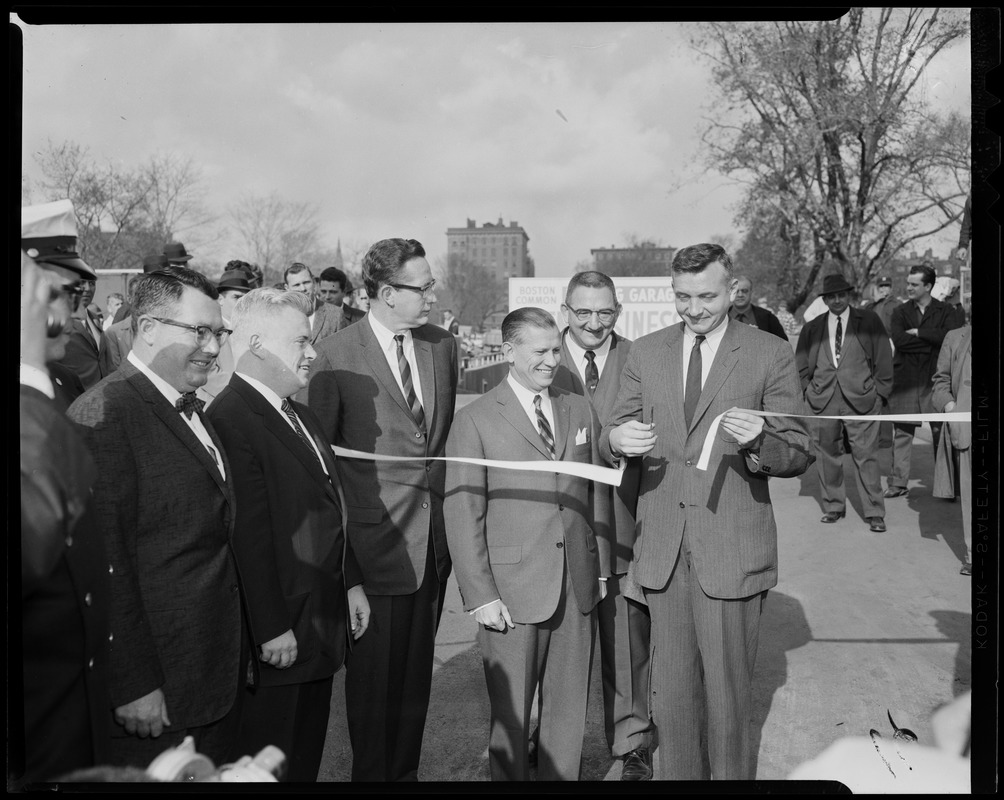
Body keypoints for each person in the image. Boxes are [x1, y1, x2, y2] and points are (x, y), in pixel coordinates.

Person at [600, 242, 812, 780]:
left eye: (707, 296)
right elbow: (610, 435)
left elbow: (799, 451)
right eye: (683, 297)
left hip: (731, 550)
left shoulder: (768, 353)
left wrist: (762, 440)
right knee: (669, 699)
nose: (694, 308)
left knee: (727, 699)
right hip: (663, 549)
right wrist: (617, 439)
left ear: (733, 288)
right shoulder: (645, 353)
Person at [68, 266, 246, 769]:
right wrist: (132, 683)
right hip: (157, 696)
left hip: (210, 679)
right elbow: (104, 569)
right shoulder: (103, 416)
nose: (213, 348)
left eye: (220, 333)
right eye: (199, 332)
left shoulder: (190, 405)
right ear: (147, 328)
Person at [305, 238, 458, 781]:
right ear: (388, 293)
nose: (433, 296)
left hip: (432, 553)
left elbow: (436, 446)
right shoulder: (335, 356)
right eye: (423, 287)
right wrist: (346, 576)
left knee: (415, 686)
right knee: (372, 693)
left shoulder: (442, 347)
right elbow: (321, 474)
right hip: (371, 554)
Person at [206, 288, 371, 781]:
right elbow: (247, 537)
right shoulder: (231, 420)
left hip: (318, 627)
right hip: (281, 637)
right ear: (255, 343)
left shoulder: (299, 413)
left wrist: (351, 581)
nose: (312, 352)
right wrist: (272, 626)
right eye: (300, 341)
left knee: (303, 761)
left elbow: (330, 505)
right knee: (269, 766)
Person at [444, 307, 606, 781]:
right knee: (511, 717)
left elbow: (591, 492)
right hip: (510, 593)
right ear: (509, 351)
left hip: (575, 584)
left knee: (569, 712)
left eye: (556, 349)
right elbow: (463, 512)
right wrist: (481, 595)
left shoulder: (577, 407)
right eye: (539, 351)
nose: (551, 360)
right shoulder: (474, 420)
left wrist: (595, 570)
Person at [17, 202, 111, 785]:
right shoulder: (33, 384)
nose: (74, 317)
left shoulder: (59, 382)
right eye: (63, 295)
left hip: (67, 695)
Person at [551, 271, 655, 780]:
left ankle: (631, 742)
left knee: (626, 637)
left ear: (619, 311)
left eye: (605, 312)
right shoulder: (540, 357)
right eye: (583, 312)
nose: (594, 323)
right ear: (564, 311)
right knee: (558, 647)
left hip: (623, 522)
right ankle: (546, 742)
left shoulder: (642, 358)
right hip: (559, 528)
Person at [796, 274, 893, 533]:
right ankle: (833, 506)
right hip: (822, 402)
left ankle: (874, 511)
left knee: (866, 456)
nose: (837, 300)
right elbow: (801, 364)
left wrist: (879, 394)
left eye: (841, 295)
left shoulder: (869, 321)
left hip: (862, 400)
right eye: (831, 296)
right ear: (825, 300)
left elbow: (884, 358)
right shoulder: (813, 327)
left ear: (849, 296)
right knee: (827, 455)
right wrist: (808, 391)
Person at [884, 265, 964, 499]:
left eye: (914, 284)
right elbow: (899, 341)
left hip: (935, 381)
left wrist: (919, 332)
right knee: (902, 433)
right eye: (908, 283)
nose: (908, 287)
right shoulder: (899, 311)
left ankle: (948, 487)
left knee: (942, 433)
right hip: (906, 381)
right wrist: (933, 338)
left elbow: (950, 339)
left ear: (928, 286)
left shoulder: (946, 310)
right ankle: (898, 483)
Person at [931, 323, 973, 575]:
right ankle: (974, 554)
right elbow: (940, 380)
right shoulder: (955, 337)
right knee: (972, 494)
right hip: (966, 429)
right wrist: (949, 406)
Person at [198, 269, 249, 407]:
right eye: (237, 297)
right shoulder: (208, 329)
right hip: (216, 404)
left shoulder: (250, 329)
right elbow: (206, 370)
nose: (242, 303)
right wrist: (244, 392)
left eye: (246, 298)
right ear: (220, 299)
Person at [53, 273, 106, 389]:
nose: (87, 289)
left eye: (92, 283)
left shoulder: (95, 319)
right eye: (82, 282)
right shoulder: (57, 319)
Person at [284, 262, 343, 345]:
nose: (303, 289)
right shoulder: (280, 316)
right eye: (296, 285)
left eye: (306, 282)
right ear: (287, 288)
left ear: (314, 282)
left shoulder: (335, 314)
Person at [728, 276, 788, 340]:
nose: (740, 295)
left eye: (744, 291)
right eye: (736, 291)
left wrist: (760, 338)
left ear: (751, 292)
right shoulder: (720, 318)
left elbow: (783, 345)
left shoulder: (768, 318)